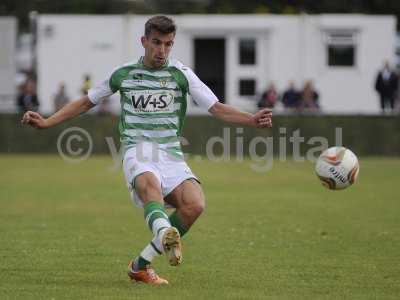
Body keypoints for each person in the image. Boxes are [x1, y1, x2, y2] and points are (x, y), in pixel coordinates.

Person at [21, 15, 272, 285]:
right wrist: (47, 121)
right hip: (137, 150)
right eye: (156, 43)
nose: (162, 50)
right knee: (149, 184)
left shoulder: (181, 74)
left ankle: (140, 265)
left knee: (195, 205)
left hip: (171, 154)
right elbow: (85, 102)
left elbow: (216, 108)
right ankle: (165, 232)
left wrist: (250, 119)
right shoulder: (124, 74)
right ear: (144, 41)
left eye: (168, 44)